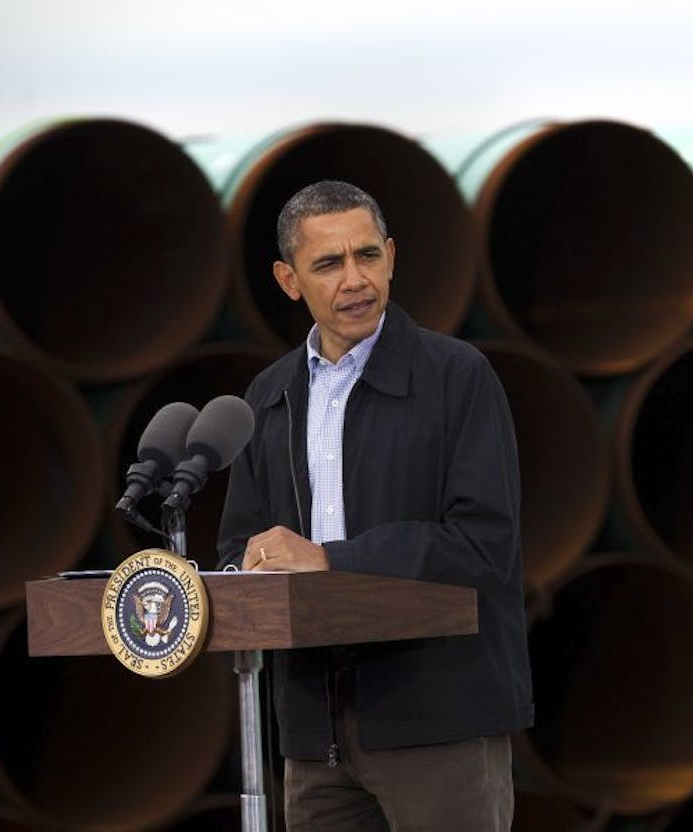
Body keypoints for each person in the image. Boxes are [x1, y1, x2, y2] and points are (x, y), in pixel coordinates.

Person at [217, 179, 533, 831]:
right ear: (288, 279)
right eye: (328, 264)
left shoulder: (457, 376)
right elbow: (238, 550)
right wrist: (245, 571)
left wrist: (330, 561)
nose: (354, 278)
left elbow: (484, 543)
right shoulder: (267, 396)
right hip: (311, 734)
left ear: (391, 257)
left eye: (366, 255)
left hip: (438, 720)